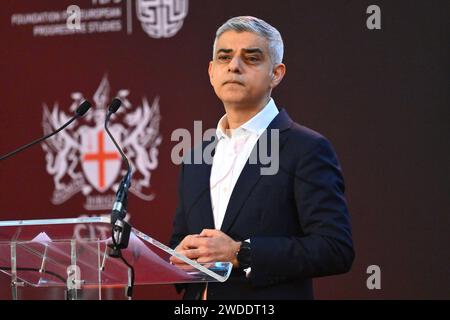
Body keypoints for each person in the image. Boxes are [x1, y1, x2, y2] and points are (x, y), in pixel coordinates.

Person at [169, 16, 354, 300]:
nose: (234, 66)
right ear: (211, 71)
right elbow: (180, 243)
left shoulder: (306, 148)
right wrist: (178, 256)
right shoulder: (196, 156)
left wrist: (241, 253)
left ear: (276, 74)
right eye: (224, 57)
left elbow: (335, 249)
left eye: (251, 58)